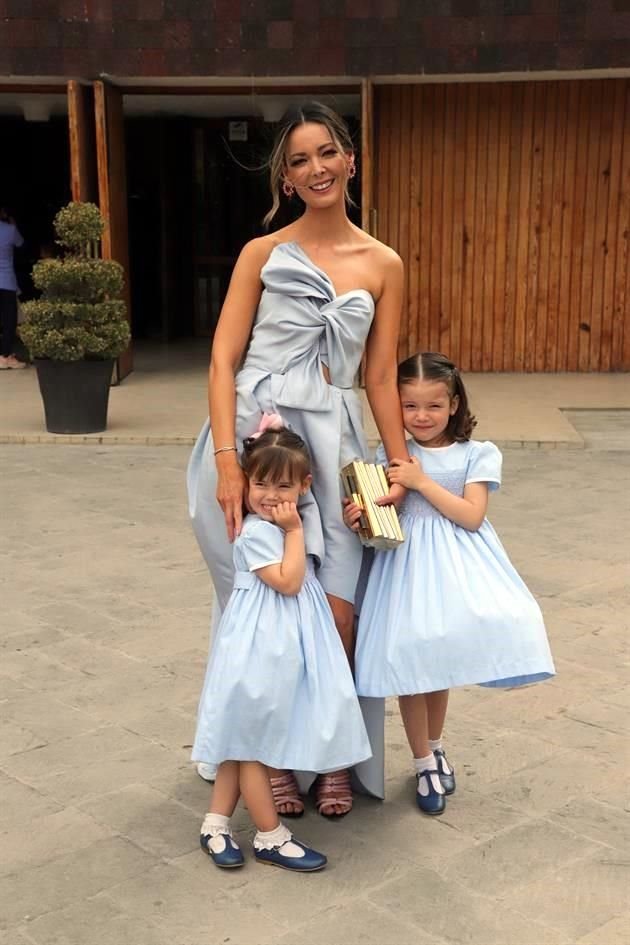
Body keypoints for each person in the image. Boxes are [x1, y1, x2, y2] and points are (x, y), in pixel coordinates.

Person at [188, 101, 409, 816]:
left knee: (340, 608)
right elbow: (222, 360)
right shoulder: (262, 253)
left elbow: (378, 376)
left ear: (351, 158)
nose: (315, 168)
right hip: (260, 442)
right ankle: (271, 755)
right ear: (285, 178)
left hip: (339, 443)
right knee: (269, 609)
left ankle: (332, 752)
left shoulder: (384, 262)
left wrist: (399, 467)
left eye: (326, 153)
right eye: (298, 160)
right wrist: (228, 460)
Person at [344, 352, 556, 815]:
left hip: (457, 566)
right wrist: (362, 517)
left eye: (433, 406)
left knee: (436, 662)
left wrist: (420, 482)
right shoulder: (391, 456)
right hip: (403, 572)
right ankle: (422, 763)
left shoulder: (476, 454)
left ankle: (435, 745)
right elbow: (387, 520)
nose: (421, 417)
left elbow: (472, 516)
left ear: (455, 404)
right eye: (410, 406)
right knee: (411, 664)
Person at [192, 423, 371, 870]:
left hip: (276, 644)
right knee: (252, 741)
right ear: (246, 483)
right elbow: (289, 583)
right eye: (261, 483)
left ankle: (215, 823)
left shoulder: (285, 524)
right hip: (257, 648)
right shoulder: (258, 533)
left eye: (284, 485)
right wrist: (294, 531)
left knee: (242, 738)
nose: (270, 495)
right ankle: (270, 836)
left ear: (304, 485)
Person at [0, 206, 26, 370]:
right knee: (9, 321)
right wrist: (12, 223)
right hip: (6, 282)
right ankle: (4, 356)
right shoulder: (10, 230)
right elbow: (21, 244)